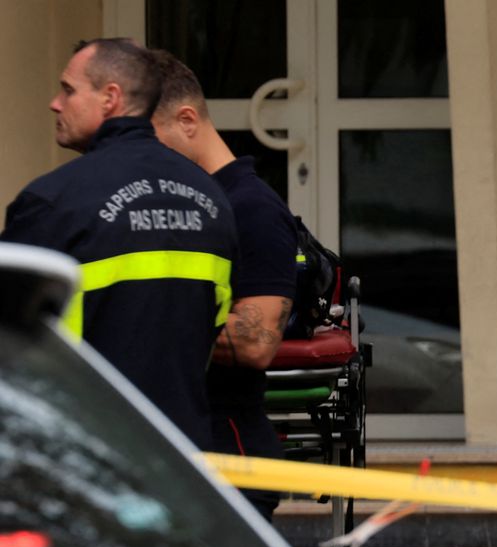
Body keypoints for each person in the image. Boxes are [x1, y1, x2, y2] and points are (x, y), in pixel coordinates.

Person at [1, 38, 237, 451]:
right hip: (183, 459)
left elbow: (10, 338)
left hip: (82, 455)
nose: (56, 103)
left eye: (69, 90)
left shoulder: (53, 200)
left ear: (110, 97)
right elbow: (215, 318)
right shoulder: (212, 199)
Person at [150, 49, 297, 522]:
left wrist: (134, 325)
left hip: (229, 458)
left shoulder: (249, 206)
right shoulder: (182, 204)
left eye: (146, 138)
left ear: (187, 120)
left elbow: (256, 342)